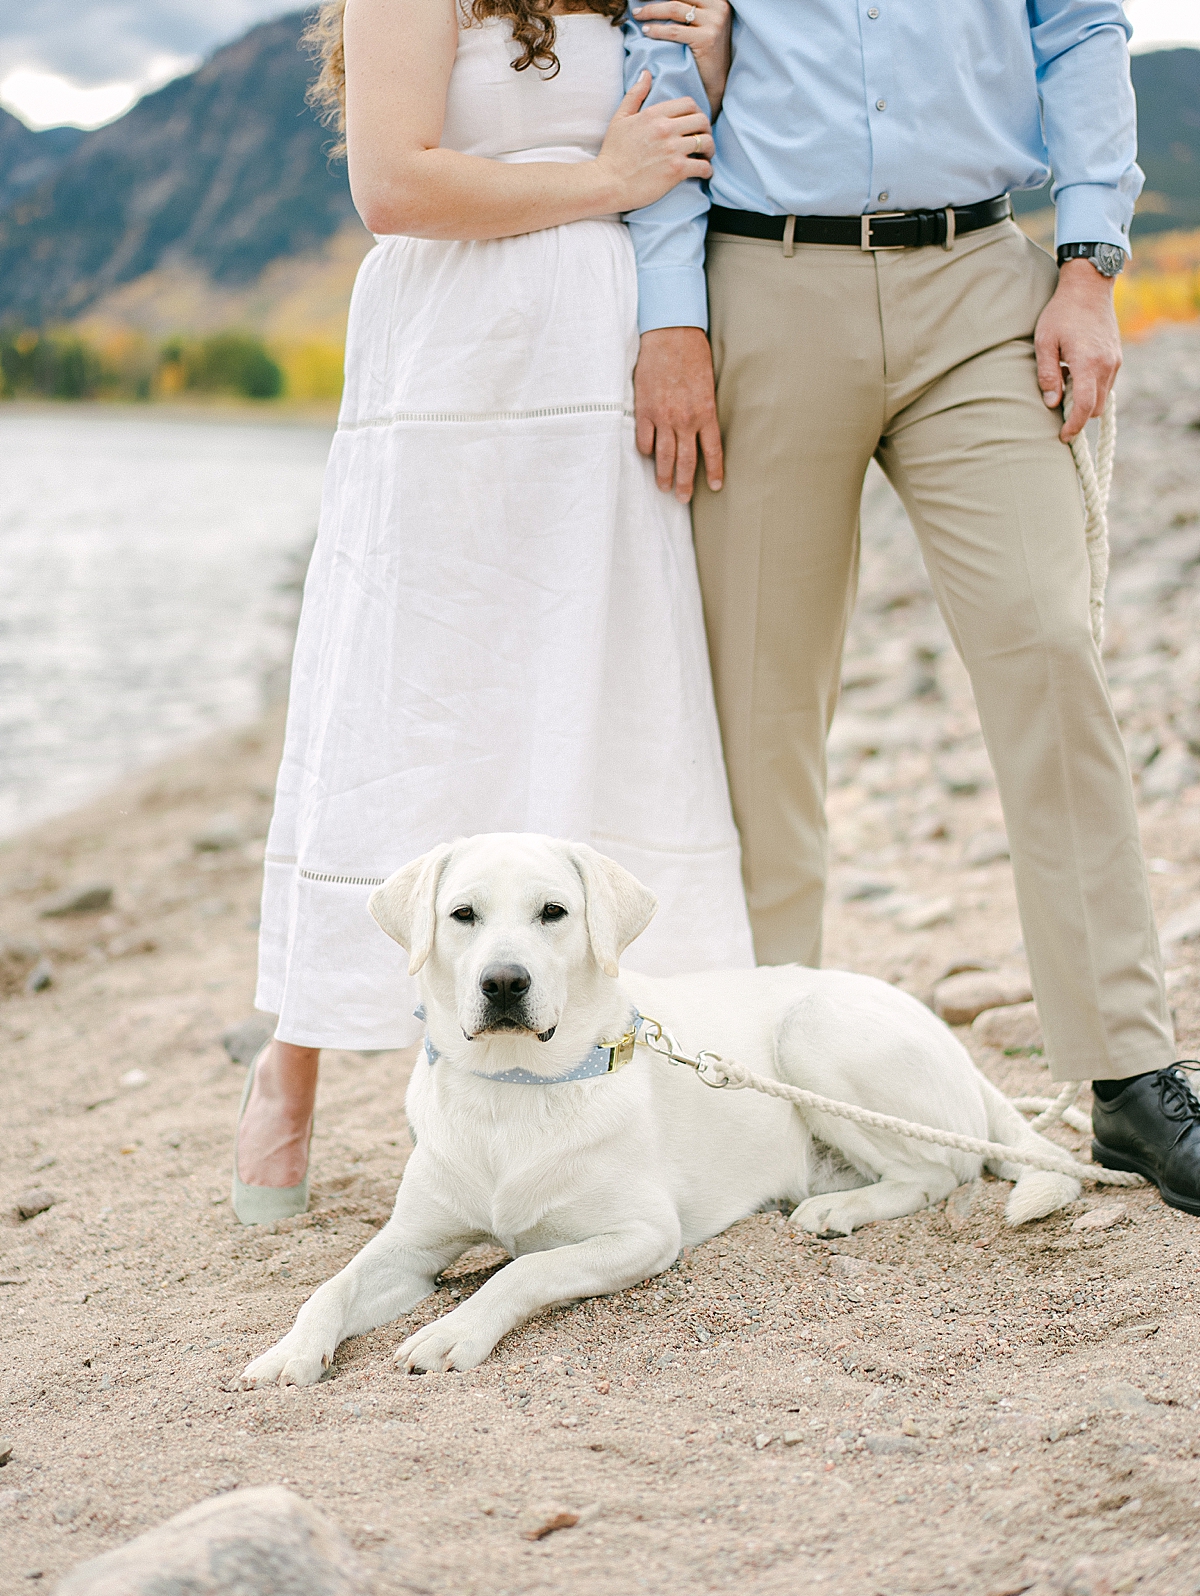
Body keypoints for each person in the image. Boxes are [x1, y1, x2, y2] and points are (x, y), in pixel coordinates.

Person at [626, 0, 1200, 1214]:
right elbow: (664, 61)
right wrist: (669, 310)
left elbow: (1085, 29)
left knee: (1050, 645)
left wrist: (1090, 265)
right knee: (761, 709)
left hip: (980, 289)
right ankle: (765, 1093)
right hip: (764, 283)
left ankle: (1128, 1075)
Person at [233, 0, 752, 1225]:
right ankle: (295, 1057)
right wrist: (600, 177)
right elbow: (393, 185)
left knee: (597, 684)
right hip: (459, 364)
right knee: (405, 694)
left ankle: (616, 1075)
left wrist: (712, 73)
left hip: (597, 360)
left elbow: (673, 156)